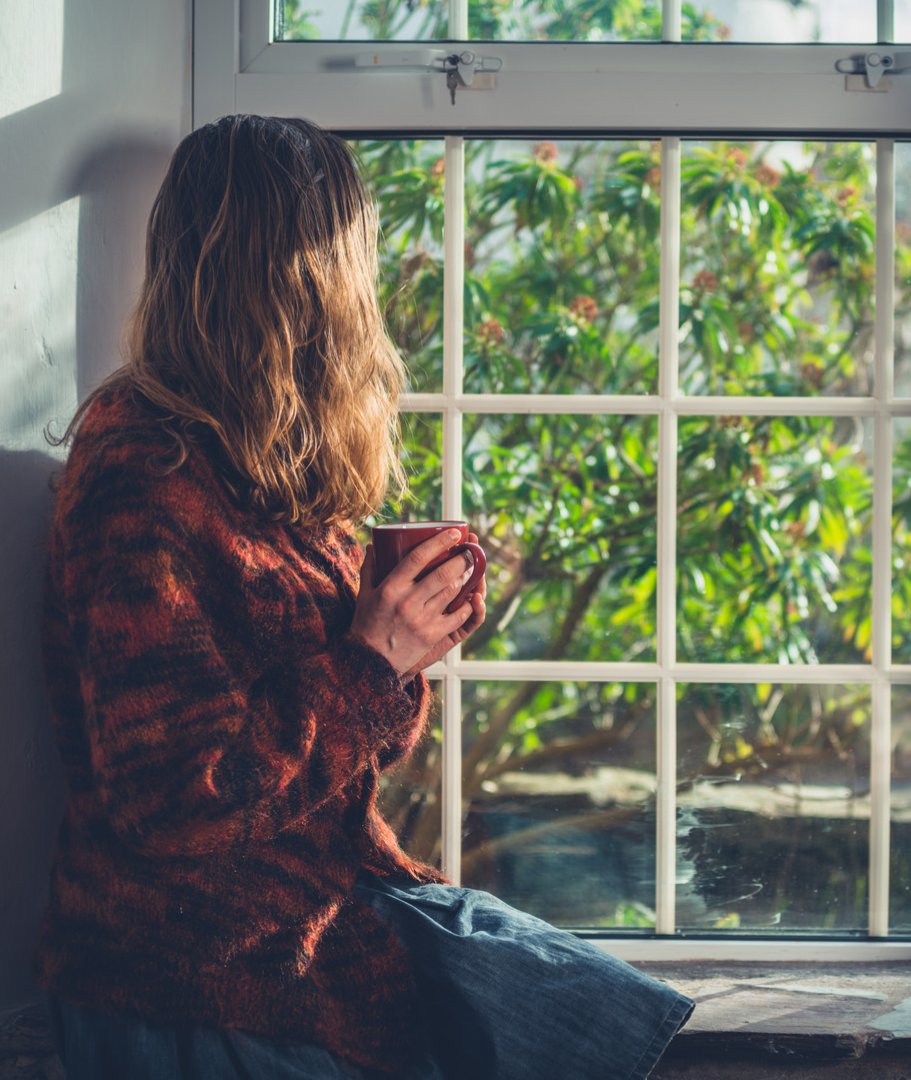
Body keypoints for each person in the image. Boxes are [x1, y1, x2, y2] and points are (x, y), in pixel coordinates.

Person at [38, 114, 693, 1080]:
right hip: (188, 980)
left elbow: (347, 747)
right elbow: (175, 803)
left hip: (309, 925)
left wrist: (399, 650)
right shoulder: (144, 466)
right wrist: (370, 661)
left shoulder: (261, 464)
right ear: (309, 269)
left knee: (607, 1017)